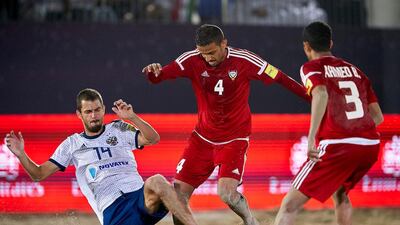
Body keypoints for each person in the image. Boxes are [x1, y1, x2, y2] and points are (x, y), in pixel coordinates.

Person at [142, 24, 310, 225]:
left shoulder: (244, 60)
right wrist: (153, 72)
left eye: (212, 52)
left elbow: (280, 78)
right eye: (203, 53)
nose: (208, 58)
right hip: (201, 139)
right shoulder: (191, 59)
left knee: (227, 194)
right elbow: (160, 76)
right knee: (178, 198)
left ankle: (250, 221)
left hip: (234, 139)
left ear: (224, 43)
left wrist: (311, 98)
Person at [5, 88, 198, 225]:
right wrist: (21, 154)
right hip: (114, 212)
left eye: (97, 110)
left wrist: (132, 117)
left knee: (158, 181)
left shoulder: (118, 128)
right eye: (88, 112)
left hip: (140, 198)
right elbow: (39, 174)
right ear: (79, 114)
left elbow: (153, 139)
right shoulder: (71, 144)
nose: (94, 116)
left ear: (104, 109)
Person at [273, 21, 384, 225]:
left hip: (337, 146)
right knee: (340, 193)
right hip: (370, 146)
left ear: (306, 46)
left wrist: (312, 138)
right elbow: (378, 116)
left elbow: (321, 93)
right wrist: (359, 133)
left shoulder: (311, 67)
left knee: (289, 205)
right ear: (330, 43)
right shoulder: (356, 70)